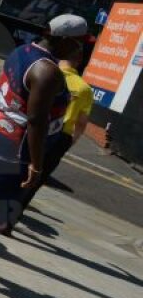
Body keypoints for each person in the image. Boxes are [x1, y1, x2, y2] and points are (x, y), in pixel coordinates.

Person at [0, 14, 87, 272]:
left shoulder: (23, 50)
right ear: (62, 40)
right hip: (12, 148)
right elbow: (36, 120)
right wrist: (36, 165)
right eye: (78, 42)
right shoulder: (47, 71)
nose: (80, 48)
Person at [17, 43, 94, 216]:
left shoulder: (45, 72)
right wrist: (70, 140)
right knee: (38, 177)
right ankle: (8, 221)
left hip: (33, 127)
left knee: (18, 168)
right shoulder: (85, 89)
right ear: (80, 60)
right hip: (61, 136)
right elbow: (81, 123)